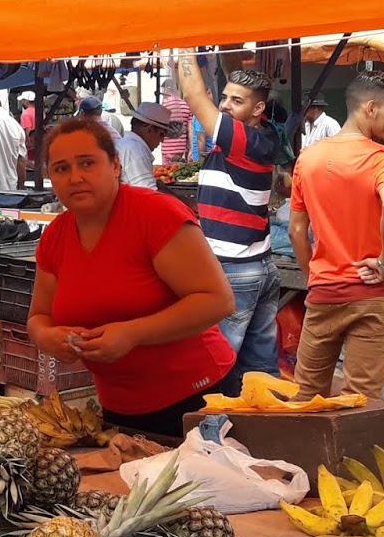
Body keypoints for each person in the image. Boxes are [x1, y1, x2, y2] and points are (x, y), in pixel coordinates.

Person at [26, 119, 236, 436]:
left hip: (198, 401)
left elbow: (218, 300)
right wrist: (47, 337)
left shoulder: (155, 214)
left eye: (87, 163)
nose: (75, 177)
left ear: (114, 166)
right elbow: (39, 316)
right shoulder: (55, 236)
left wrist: (132, 334)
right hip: (119, 411)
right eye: (61, 168)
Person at [288, 71, 384, 400]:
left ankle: (298, 452)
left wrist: (312, 275)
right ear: (370, 107)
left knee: (305, 395)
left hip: (323, 293)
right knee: (360, 399)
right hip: (370, 295)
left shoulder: (307, 158)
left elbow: (297, 229)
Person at [175, 58, 283, 377]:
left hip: (235, 269)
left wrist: (183, 46)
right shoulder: (258, 138)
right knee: (259, 367)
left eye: (237, 101)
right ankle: (265, 424)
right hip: (259, 265)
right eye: (224, 97)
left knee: (216, 362)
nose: (224, 106)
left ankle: (213, 426)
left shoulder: (244, 141)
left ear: (258, 108)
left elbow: (194, 96)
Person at [113, 102, 175, 190]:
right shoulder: (135, 150)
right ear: (149, 130)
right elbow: (147, 193)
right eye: (161, 135)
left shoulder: (127, 143)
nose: (162, 140)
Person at [159, 79, 193, 163]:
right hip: (181, 147)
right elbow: (190, 130)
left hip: (167, 147)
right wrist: (191, 148)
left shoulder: (165, 105)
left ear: (168, 89)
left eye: (163, 91)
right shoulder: (186, 105)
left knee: (166, 172)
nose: (163, 94)